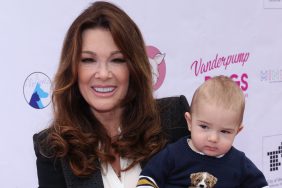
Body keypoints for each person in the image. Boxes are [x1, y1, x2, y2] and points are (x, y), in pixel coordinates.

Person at [33, 1, 189, 188]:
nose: (104, 74)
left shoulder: (174, 120)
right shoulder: (53, 148)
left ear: (134, 67)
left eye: (117, 60)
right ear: (73, 68)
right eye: (88, 60)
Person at [137, 75, 269, 188]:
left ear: (237, 132)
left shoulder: (239, 163)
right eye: (204, 127)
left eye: (224, 131)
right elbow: (148, 179)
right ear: (189, 122)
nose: (213, 138)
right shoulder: (173, 154)